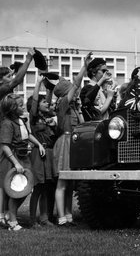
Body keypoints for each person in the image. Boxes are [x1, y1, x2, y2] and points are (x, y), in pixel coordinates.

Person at [53, 52, 92, 227]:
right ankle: (61, 216)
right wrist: (84, 66)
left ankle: (69, 215)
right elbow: (76, 84)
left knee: (69, 185)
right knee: (62, 183)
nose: (75, 92)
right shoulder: (62, 104)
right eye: (72, 90)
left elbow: (83, 124)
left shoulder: (74, 108)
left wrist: (79, 108)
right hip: (65, 143)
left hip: (73, 143)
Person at [0, 93, 46, 231]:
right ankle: (12, 222)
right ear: (13, 109)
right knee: (16, 190)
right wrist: (16, 163)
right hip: (13, 159)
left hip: (23, 158)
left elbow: (28, 134)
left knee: (25, 189)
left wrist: (39, 144)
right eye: (20, 105)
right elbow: (5, 145)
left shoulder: (20, 120)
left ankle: (9, 215)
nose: (23, 107)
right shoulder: (7, 124)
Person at [27, 76, 58, 228]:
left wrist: (48, 88)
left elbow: (49, 98)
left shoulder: (48, 117)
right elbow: (34, 100)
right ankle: (33, 220)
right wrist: (38, 83)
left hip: (49, 153)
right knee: (38, 187)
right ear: (37, 105)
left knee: (46, 187)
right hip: (38, 153)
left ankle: (44, 219)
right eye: (44, 102)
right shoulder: (33, 117)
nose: (48, 103)